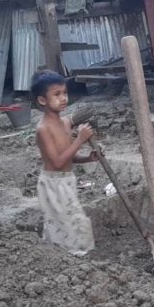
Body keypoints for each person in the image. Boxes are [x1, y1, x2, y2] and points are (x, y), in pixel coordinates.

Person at [31, 70, 100, 256]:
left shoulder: (65, 124)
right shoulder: (43, 129)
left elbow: (68, 157)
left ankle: (65, 255)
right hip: (53, 183)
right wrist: (80, 140)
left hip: (67, 180)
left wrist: (87, 158)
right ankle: (68, 258)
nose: (63, 98)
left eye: (64, 93)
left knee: (67, 222)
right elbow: (58, 162)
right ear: (42, 100)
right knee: (65, 223)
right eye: (57, 94)